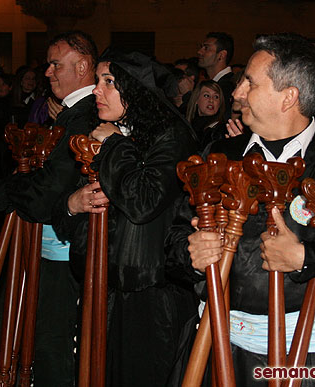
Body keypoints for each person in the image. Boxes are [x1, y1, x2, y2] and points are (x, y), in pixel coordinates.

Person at [166, 33, 315, 386]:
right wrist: (189, 251)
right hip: (209, 344)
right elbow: (176, 237)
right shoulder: (219, 154)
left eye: (250, 83)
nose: (236, 94)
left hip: (295, 358)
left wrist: (304, 257)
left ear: (289, 97)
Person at [51, 49, 198, 386]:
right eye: (98, 81)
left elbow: (143, 201)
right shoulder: (107, 132)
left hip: (150, 299)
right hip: (102, 288)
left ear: (135, 89)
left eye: (109, 82)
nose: (96, 91)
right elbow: (75, 209)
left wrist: (114, 147)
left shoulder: (171, 136)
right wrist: (73, 203)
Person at [0, 30, 98, 387]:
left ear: (83, 66)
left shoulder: (83, 117)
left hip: (66, 251)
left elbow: (48, 192)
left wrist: (9, 189)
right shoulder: (72, 113)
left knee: (55, 337)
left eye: (56, 64)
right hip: (58, 245)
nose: (48, 72)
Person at [197, 32, 236, 113]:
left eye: (206, 48)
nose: (199, 52)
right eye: (201, 47)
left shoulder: (228, 87)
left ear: (221, 55)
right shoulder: (216, 83)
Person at [185, 79, 226, 150]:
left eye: (216, 97)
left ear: (220, 104)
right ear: (196, 100)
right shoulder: (187, 127)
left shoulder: (220, 131)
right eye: (207, 95)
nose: (211, 100)